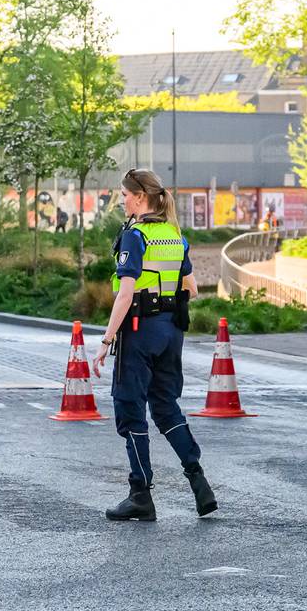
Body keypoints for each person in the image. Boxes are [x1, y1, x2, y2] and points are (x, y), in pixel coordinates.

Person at [90, 168, 217, 521]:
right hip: (170, 331)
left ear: (141, 198)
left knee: (129, 407)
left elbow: (125, 293)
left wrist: (106, 339)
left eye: (125, 195)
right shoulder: (175, 234)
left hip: (139, 329)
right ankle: (198, 480)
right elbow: (191, 288)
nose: (122, 200)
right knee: (165, 406)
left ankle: (140, 494)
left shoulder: (136, 235)